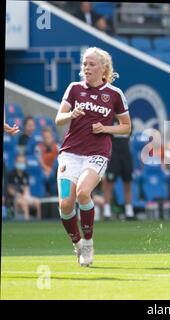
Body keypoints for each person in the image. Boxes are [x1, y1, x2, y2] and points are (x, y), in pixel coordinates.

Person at [55, 47, 131, 267]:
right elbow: (59, 119)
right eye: (84, 64)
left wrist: (106, 128)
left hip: (97, 153)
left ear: (103, 68)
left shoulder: (114, 94)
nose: (86, 68)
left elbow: (126, 127)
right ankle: (77, 243)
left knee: (83, 193)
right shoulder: (74, 89)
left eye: (91, 64)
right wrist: (71, 114)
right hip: (70, 153)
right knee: (66, 204)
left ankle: (88, 242)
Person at [101, 117, 134, 221]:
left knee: (127, 182)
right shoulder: (109, 118)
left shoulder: (127, 118)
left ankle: (129, 212)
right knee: (109, 183)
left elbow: (129, 134)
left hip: (125, 154)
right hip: (113, 155)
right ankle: (107, 211)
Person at [7, 154, 42, 221]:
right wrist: (19, 195)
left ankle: (39, 221)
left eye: (23, 162)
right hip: (15, 197)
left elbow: (26, 188)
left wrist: (26, 195)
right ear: (16, 162)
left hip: (24, 196)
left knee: (37, 202)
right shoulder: (11, 174)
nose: (21, 164)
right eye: (20, 162)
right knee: (24, 203)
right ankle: (27, 221)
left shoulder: (26, 175)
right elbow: (10, 189)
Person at [35, 126, 60, 194]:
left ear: (52, 137)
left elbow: (59, 161)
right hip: (43, 170)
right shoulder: (38, 148)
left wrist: (52, 170)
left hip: (55, 171)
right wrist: (47, 169)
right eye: (45, 138)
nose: (47, 139)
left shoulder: (57, 147)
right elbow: (39, 161)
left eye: (48, 137)